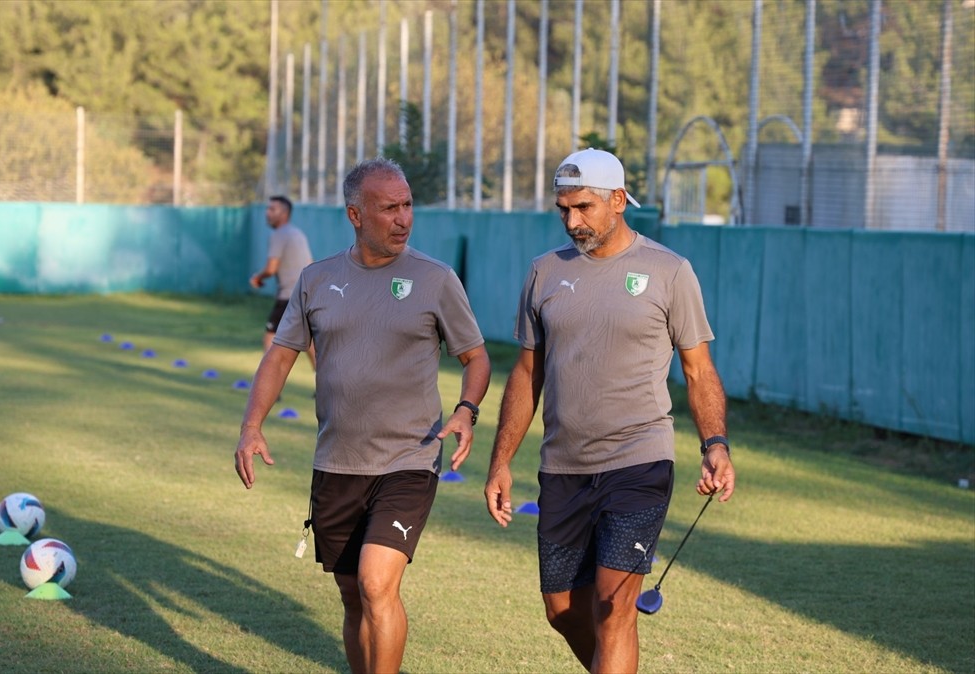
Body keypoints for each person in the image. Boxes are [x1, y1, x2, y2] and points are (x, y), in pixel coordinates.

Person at [483, 148, 735, 674]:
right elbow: (527, 374)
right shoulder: (544, 273)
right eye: (563, 210)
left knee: (614, 607)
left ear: (618, 200)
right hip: (563, 467)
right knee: (562, 608)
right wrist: (501, 460)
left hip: (639, 461)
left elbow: (699, 370)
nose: (572, 221)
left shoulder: (669, 271)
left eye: (583, 208)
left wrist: (715, 444)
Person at [235, 158, 491, 674]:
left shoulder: (435, 279)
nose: (403, 219)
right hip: (337, 460)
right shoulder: (316, 279)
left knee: (377, 582)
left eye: (407, 206)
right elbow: (281, 355)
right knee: (353, 595)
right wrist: (251, 425)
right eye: (388, 208)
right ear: (355, 214)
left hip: (409, 458)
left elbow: (476, 357)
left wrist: (466, 409)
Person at [251, 195, 316, 369]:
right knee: (308, 342)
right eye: (267, 208)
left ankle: (270, 389)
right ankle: (328, 384)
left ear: (284, 213)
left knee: (270, 337)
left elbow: (271, 268)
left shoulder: (279, 234)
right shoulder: (298, 234)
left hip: (288, 297)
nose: (267, 213)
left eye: (272, 209)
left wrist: (258, 278)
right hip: (305, 295)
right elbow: (311, 264)